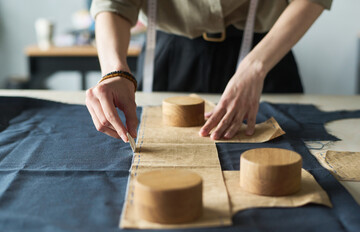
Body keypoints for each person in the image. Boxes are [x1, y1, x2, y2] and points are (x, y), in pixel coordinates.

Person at [85, 0, 332, 143]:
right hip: (173, 55)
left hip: (266, 55)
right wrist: (115, 71)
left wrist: (256, 66)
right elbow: (113, 3)